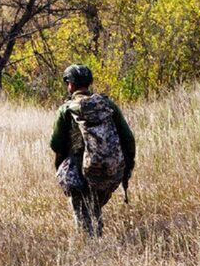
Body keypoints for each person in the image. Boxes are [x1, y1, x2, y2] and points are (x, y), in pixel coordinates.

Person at [50, 64, 136, 237]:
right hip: (108, 168)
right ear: (89, 83)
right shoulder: (107, 105)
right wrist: (125, 166)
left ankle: (90, 245)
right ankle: (96, 239)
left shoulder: (66, 109)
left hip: (78, 171)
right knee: (94, 208)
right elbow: (128, 138)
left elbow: (55, 144)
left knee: (83, 215)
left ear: (70, 84)